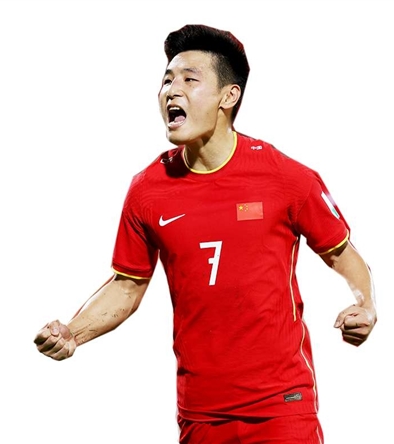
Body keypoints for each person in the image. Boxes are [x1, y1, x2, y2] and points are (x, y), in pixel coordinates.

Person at [34, 24, 377, 443]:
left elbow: (342, 253)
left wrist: (365, 305)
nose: (171, 91)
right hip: (199, 413)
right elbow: (127, 286)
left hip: (281, 406)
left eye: (189, 80)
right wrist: (73, 332)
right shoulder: (147, 190)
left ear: (228, 97)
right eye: (167, 80)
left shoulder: (286, 178)